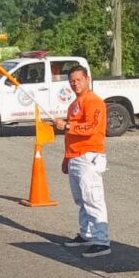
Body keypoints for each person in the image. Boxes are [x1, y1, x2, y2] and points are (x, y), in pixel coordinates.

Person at [53, 65, 111, 258]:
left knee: (93, 198)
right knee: (81, 199)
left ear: (87, 79)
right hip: (76, 157)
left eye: (78, 80)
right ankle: (87, 234)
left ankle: (101, 241)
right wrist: (67, 158)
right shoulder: (74, 104)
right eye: (72, 80)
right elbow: (72, 134)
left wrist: (68, 125)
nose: (75, 83)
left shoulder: (94, 102)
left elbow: (92, 127)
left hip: (89, 156)